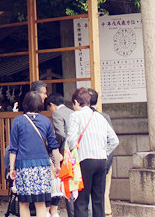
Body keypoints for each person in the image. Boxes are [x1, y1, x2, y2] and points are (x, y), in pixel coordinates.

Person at [9, 91, 63, 217]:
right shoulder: (46, 121)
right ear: (40, 104)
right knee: (41, 203)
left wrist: (12, 168)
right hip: (42, 167)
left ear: (25, 104)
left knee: (24, 203)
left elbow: (13, 148)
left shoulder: (18, 121)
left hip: (23, 166)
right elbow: (54, 146)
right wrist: (57, 166)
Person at [66, 87, 119, 217]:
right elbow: (114, 140)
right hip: (101, 160)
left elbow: (71, 140)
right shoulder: (100, 117)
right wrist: (104, 152)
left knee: (81, 200)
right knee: (98, 199)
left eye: (74, 104)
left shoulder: (75, 116)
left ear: (77, 102)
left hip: (85, 160)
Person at [47, 92, 74, 217]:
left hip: (65, 153)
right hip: (76, 153)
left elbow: (60, 134)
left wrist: (56, 150)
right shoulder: (72, 112)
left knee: (67, 185)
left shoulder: (56, 113)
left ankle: (72, 213)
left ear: (52, 105)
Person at [88, 89, 114, 217]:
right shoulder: (104, 117)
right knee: (102, 194)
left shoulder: (78, 117)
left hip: (89, 161)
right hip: (104, 160)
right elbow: (112, 141)